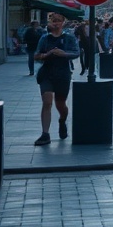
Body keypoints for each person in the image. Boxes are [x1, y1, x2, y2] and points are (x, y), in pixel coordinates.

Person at [33, 14, 80, 146]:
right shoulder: (45, 38)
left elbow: (76, 53)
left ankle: (62, 121)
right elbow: (36, 55)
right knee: (47, 102)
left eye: (58, 21)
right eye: (53, 21)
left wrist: (63, 54)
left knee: (60, 104)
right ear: (50, 23)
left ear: (63, 23)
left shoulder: (69, 38)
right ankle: (45, 134)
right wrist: (46, 55)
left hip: (63, 74)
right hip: (47, 73)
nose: (56, 23)